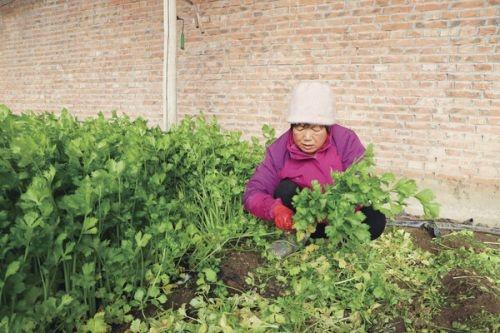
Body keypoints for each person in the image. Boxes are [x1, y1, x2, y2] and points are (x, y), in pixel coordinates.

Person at [243, 81, 386, 240]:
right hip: (305, 213)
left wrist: (343, 208)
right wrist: (275, 209)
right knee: (285, 190)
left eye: (316, 128)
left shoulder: (345, 139)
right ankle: (302, 234)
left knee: (375, 220)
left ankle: (327, 235)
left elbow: (362, 181)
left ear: (328, 127)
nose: (307, 137)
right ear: (292, 126)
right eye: (300, 128)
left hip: (338, 209)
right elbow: (253, 192)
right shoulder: (279, 149)